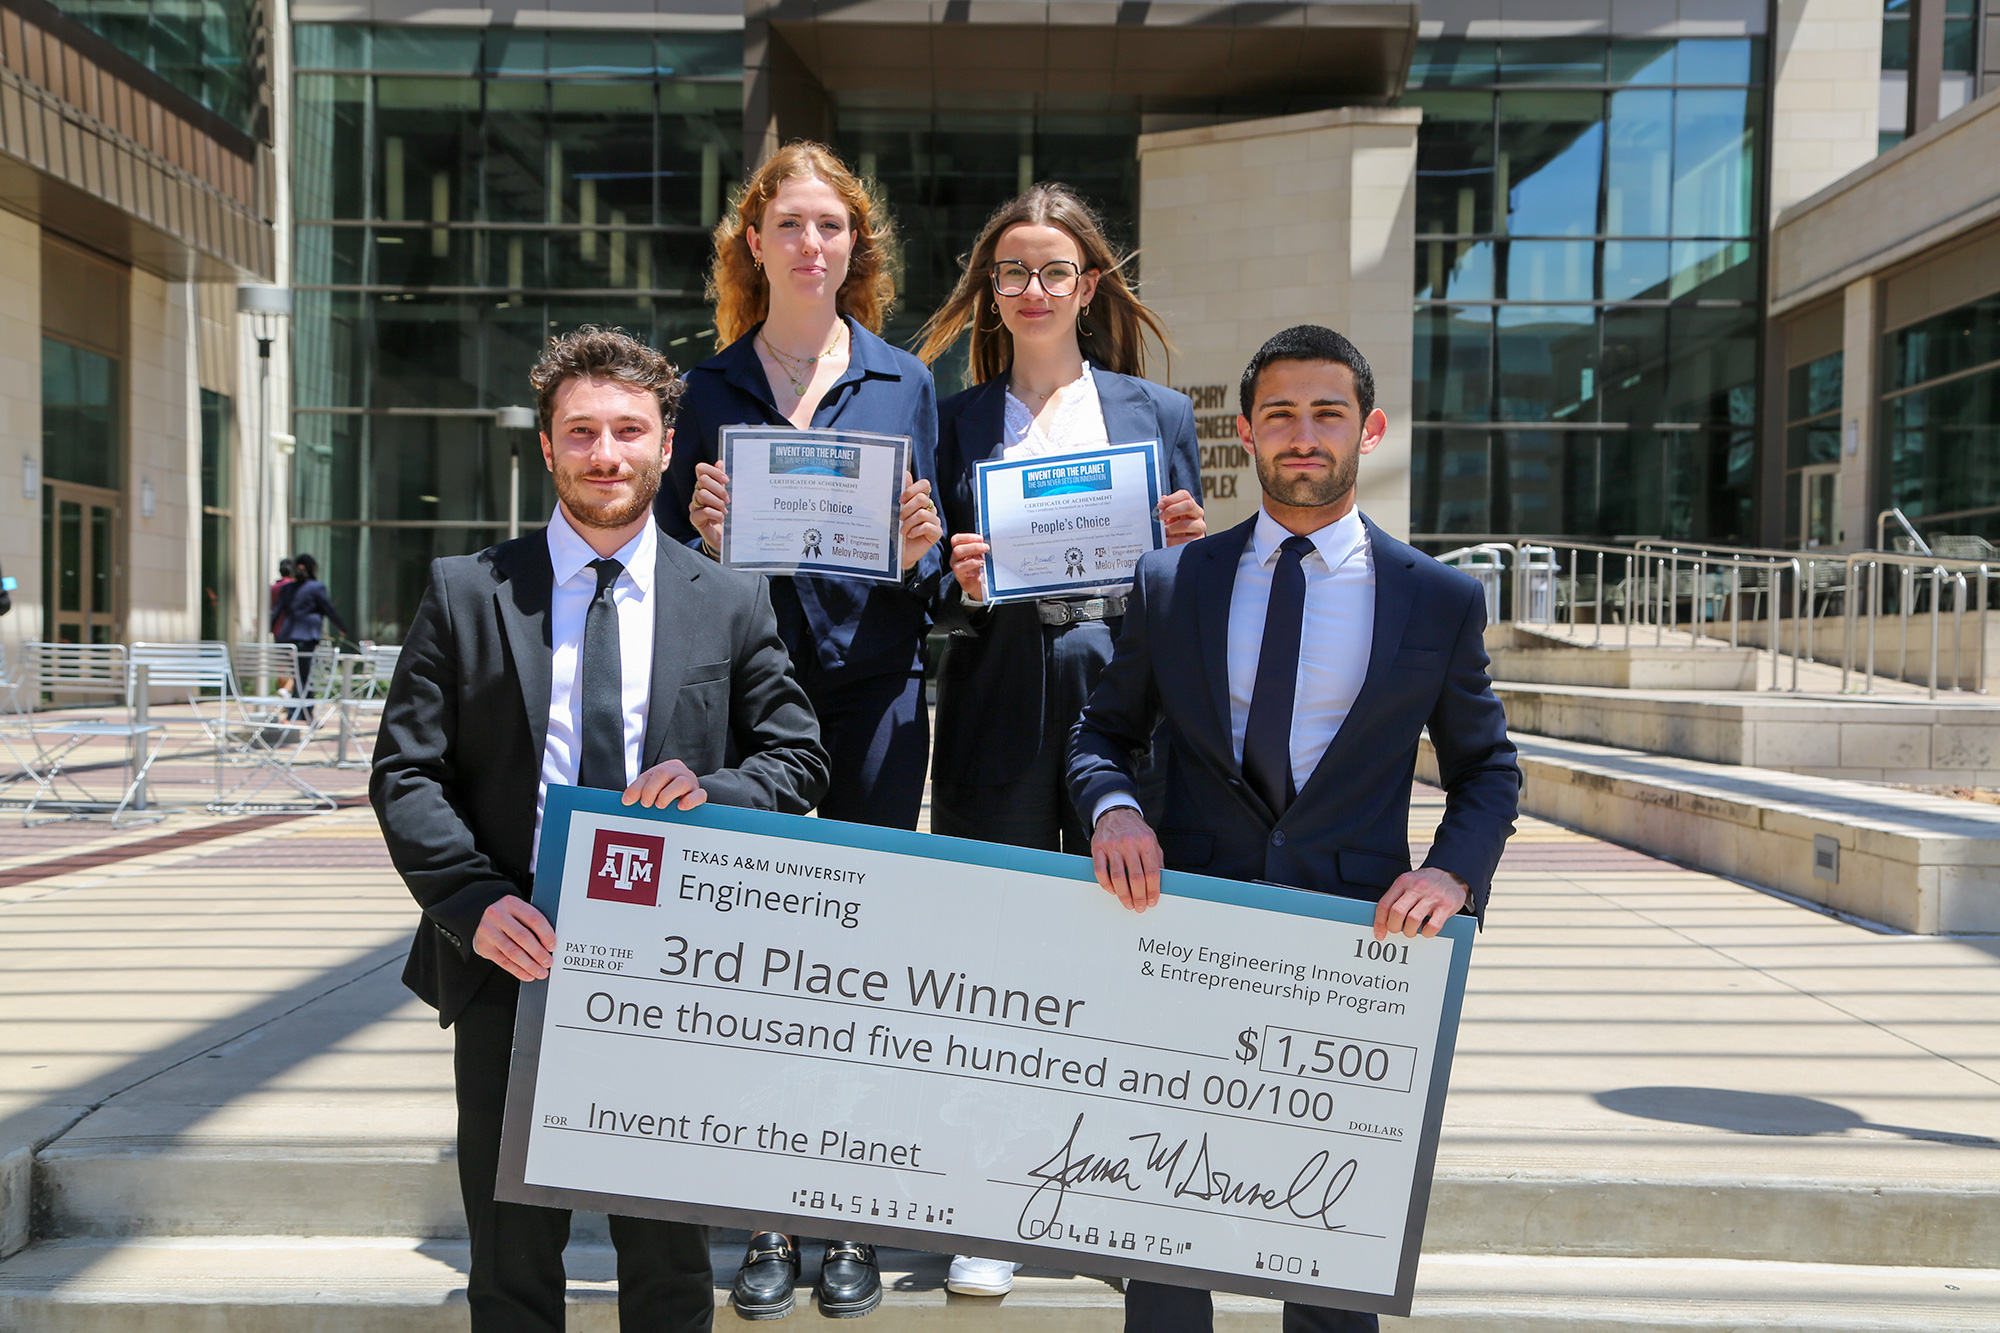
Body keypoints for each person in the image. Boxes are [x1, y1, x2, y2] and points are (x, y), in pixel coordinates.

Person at [371, 326, 829, 1333]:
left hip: (666, 972)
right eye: (581, 432)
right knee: (511, 1267)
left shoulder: (731, 598)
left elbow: (796, 756)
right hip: (511, 957)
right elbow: (406, 772)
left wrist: (715, 791)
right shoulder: (466, 592)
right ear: (546, 446)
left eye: (627, 430)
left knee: (667, 1270)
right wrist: (470, 902)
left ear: (667, 442)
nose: (605, 454)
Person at [1068, 325, 1520, 1333]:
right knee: (1165, 1223)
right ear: (1245, 432)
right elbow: (1101, 730)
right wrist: (1114, 806)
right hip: (1182, 936)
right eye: (1279, 414)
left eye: (1325, 413)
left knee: (1324, 1245)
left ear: (1368, 428)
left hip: (1351, 949)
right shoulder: (1170, 580)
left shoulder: (1436, 601)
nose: (1302, 435)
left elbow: (1486, 769)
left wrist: (1451, 876)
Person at [653, 141, 942, 1320]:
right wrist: (708, 539)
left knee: (862, 962)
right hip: (746, 704)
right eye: (790, 225)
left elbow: (944, 562)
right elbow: (665, 566)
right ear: (754, 243)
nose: (811, 244)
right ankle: (769, 1213)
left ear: (852, 245)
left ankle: (852, 1222)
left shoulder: (906, 382)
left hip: (875, 689)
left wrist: (926, 549)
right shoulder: (704, 389)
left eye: (831, 226)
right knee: (762, 963)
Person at [912, 182, 1204, 1298]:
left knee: (1118, 943)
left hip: (1120, 694)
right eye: (1009, 272)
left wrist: (1189, 544)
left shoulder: (1155, 414)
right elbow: (932, 588)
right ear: (991, 290)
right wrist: (958, 576)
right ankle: (989, 1203)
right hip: (994, 691)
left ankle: (1116, 1202)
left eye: (1051, 271)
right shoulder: (955, 417)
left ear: (1089, 286)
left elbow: (1185, 585)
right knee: (997, 957)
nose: (1029, 290)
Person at [274, 553, 348, 706]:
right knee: (304, 677)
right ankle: (299, 713)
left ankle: (305, 714)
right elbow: (328, 609)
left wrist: (270, 632)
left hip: (287, 637)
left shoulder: (287, 588)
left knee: (300, 675)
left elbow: (276, 612)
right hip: (306, 638)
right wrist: (342, 627)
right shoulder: (316, 587)